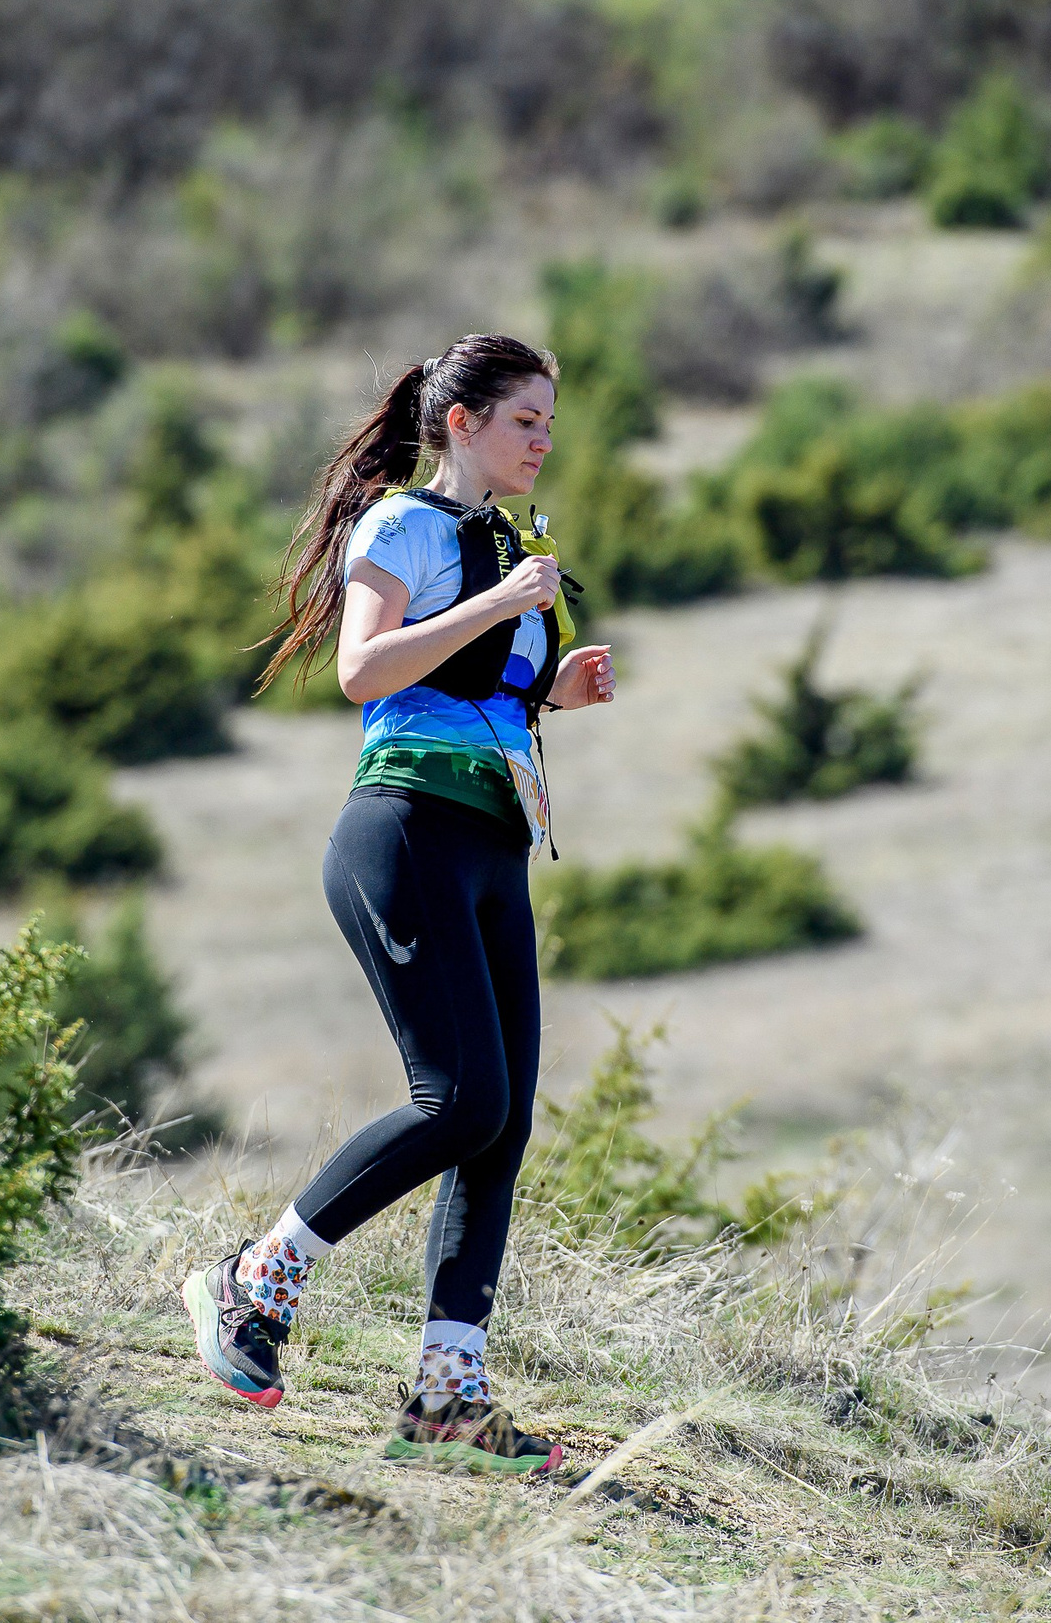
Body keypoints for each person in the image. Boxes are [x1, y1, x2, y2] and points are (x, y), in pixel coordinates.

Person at [181, 334, 617, 1477]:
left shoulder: (510, 543)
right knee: (458, 1099)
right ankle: (252, 1278)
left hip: (493, 840)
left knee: (503, 1122)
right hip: (406, 827)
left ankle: (444, 1398)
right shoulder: (402, 528)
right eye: (525, 420)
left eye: (550, 424)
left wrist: (555, 687)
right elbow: (366, 673)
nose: (543, 441)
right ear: (460, 421)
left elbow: (477, 693)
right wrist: (504, 607)